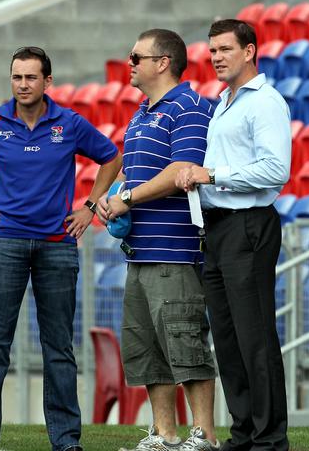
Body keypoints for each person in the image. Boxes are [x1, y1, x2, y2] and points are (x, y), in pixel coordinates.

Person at [0, 46, 122, 451]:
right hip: (5, 244)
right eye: (17, 77)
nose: (23, 84)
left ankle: (66, 440)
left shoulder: (68, 123)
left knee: (58, 347)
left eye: (31, 77)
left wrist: (89, 207)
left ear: (47, 81)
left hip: (57, 247)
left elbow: (112, 157)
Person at [97, 28, 219, 451]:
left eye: (136, 57)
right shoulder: (141, 112)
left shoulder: (188, 106)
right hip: (141, 252)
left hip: (176, 250)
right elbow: (136, 172)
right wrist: (112, 200)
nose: (129, 64)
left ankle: (203, 434)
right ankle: (165, 434)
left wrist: (126, 198)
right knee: (147, 349)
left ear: (163, 62)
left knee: (185, 343)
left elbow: (180, 170)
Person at [176, 19, 291, 451]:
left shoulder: (265, 103)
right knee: (227, 339)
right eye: (212, 51)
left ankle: (270, 439)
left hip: (249, 224)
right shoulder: (223, 102)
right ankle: (243, 433)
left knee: (254, 337)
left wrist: (212, 175)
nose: (217, 57)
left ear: (249, 51)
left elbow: (276, 169)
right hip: (218, 229)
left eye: (225, 49)